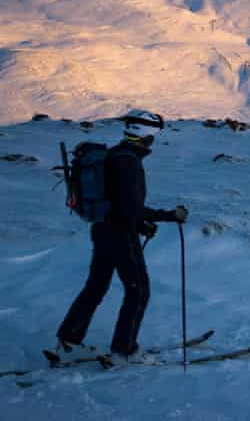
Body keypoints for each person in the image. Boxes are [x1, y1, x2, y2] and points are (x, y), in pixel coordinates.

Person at [55, 109, 188, 364]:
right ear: (148, 135)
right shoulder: (129, 162)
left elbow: (117, 204)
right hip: (120, 234)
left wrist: (141, 225)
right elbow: (130, 209)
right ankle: (124, 350)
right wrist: (170, 216)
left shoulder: (114, 155)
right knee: (138, 291)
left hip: (102, 229)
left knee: (96, 287)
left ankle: (68, 343)